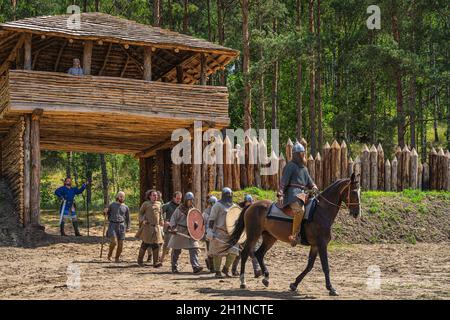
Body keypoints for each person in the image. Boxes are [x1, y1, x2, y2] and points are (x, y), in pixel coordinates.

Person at [279, 141, 318, 247]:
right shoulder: (290, 166)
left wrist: (314, 186)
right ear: (296, 155)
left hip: (303, 195)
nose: (302, 155)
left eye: (303, 153)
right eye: (300, 153)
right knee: (300, 211)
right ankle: (294, 236)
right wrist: (281, 192)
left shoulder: (304, 169)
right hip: (292, 195)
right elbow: (283, 181)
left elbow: (310, 182)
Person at [207, 187, 240, 278]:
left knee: (234, 251)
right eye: (227, 195)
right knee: (218, 252)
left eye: (230, 195)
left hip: (231, 233)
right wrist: (209, 230)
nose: (229, 197)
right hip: (219, 232)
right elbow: (212, 218)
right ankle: (217, 272)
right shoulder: (217, 205)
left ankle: (226, 269)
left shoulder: (234, 206)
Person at [167, 192, 203, 274]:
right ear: (186, 200)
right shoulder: (180, 209)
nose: (190, 202)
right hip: (180, 230)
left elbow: (196, 220)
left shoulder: (193, 209)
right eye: (189, 200)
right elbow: (173, 218)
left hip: (190, 232)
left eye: (191, 200)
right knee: (176, 250)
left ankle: (195, 266)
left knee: (194, 248)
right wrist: (173, 227)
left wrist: (197, 229)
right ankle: (174, 267)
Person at [231, 194, 262, 277]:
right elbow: (236, 223)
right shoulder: (240, 210)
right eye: (247, 202)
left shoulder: (254, 211)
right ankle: (234, 269)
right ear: (245, 202)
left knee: (253, 252)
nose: (248, 204)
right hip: (242, 235)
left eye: (250, 202)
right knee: (240, 253)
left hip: (251, 235)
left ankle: (257, 270)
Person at [136, 190, 164, 267]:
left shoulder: (159, 204)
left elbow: (160, 214)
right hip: (148, 227)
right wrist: (143, 220)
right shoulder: (146, 204)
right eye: (154, 195)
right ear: (150, 196)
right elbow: (140, 213)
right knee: (145, 244)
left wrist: (162, 220)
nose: (156, 197)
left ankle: (155, 262)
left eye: (156, 195)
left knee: (156, 244)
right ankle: (140, 261)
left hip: (156, 227)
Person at [104, 191, 131, 262]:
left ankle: (117, 258)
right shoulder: (112, 205)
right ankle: (109, 255)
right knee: (113, 242)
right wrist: (105, 211)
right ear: (117, 197)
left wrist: (128, 227)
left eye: (123, 197)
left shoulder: (126, 207)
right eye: (120, 196)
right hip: (112, 225)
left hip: (122, 226)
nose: (122, 198)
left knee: (121, 244)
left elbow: (128, 218)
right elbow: (105, 214)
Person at [159, 191, 182, 265]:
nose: (179, 200)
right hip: (169, 228)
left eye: (180, 198)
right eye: (177, 198)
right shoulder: (167, 205)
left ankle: (173, 262)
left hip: (177, 228)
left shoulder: (181, 207)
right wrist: (163, 220)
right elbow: (159, 212)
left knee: (176, 246)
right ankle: (162, 259)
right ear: (174, 198)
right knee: (167, 245)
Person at [202, 195, 217, 272]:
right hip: (208, 233)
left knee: (215, 250)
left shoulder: (218, 211)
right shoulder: (205, 213)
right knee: (210, 251)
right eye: (212, 203)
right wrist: (204, 233)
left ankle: (212, 264)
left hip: (216, 233)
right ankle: (211, 267)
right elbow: (202, 224)